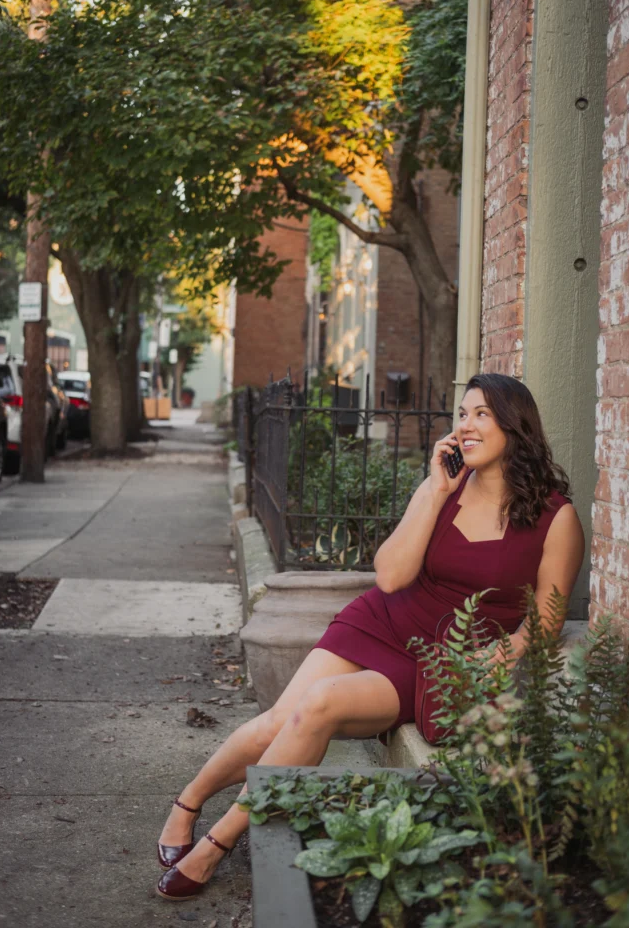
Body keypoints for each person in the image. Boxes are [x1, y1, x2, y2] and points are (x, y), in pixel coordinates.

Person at [155, 373, 585, 900]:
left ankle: (219, 841)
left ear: (515, 427)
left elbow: (547, 616)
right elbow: (389, 576)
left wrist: (504, 651)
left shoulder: (555, 518)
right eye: (462, 415)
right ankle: (188, 804)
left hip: (439, 660)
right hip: (385, 618)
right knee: (276, 721)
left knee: (318, 707)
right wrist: (433, 490)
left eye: (481, 415)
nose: (466, 426)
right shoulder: (446, 491)